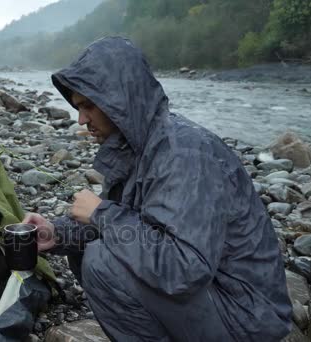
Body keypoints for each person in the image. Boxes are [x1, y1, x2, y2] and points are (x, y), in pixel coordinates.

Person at [23, 37, 292, 341]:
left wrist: (100, 213)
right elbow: (128, 229)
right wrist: (56, 234)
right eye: (77, 107)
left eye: (88, 106)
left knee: (102, 261)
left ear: (119, 100)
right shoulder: (134, 147)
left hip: (246, 315)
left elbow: (184, 267)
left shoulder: (185, 153)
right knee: (90, 247)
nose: (82, 120)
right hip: (217, 295)